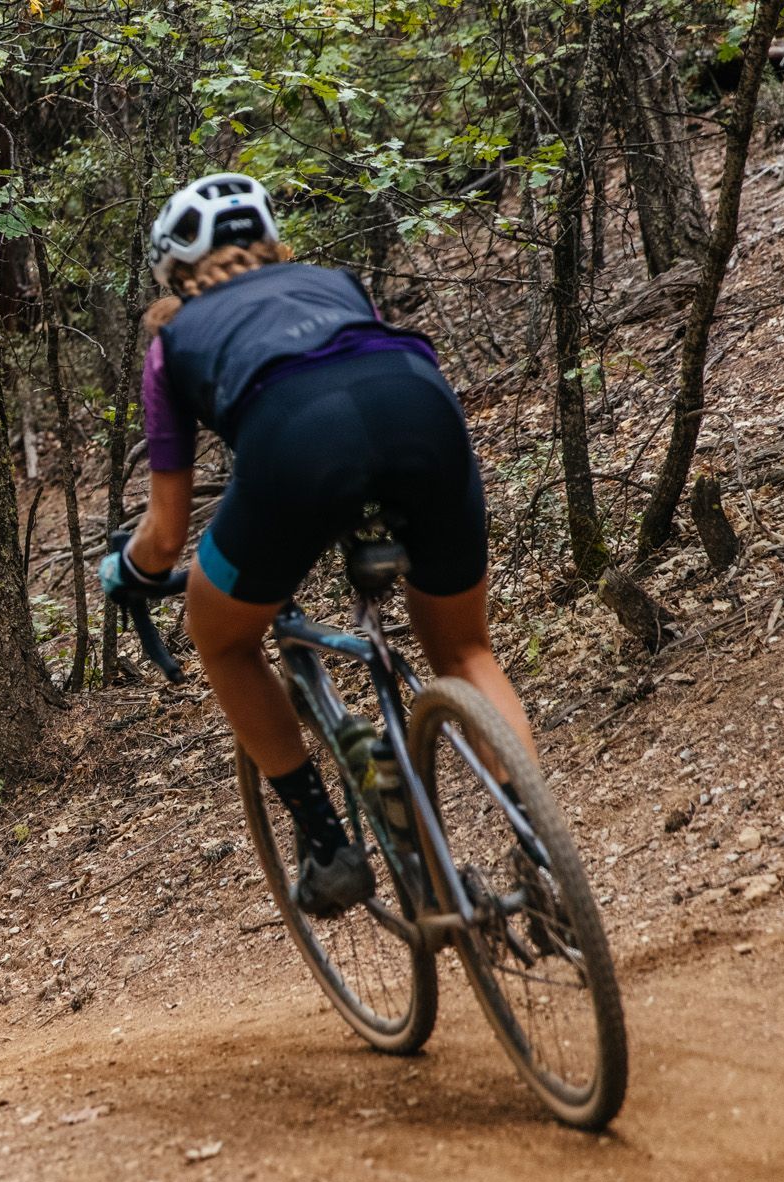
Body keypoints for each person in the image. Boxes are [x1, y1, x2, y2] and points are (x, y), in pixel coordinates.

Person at [98, 173, 537, 917]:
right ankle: (540, 846)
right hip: (423, 407)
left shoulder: (173, 343)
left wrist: (127, 572)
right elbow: (357, 383)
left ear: (173, 272)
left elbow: (165, 537)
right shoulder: (336, 282)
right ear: (272, 241)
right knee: (465, 650)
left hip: (297, 439)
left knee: (221, 635)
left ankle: (328, 844)